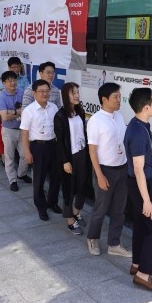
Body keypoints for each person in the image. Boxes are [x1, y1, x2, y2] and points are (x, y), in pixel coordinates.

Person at [124, 88, 152, 291]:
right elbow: (139, 170)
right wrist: (147, 200)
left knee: (141, 223)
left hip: (139, 183)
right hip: (143, 185)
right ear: (146, 107)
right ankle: (143, 275)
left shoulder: (138, 125)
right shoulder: (138, 132)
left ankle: (137, 264)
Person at [85, 82, 132, 258]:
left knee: (119, 210)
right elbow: (92, 151)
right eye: (115, 97)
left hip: (121, 168)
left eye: (120, 97)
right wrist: (99, 175)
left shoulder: (119, 116)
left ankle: (114, 244)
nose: (119, 100)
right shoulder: (96, 120)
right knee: (101, 208)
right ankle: (92, 238)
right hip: (105, 170)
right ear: (104, 99)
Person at [20, 79, 62, 221]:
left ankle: (52, 202)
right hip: (38, 147)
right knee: (39, 179)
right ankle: (41, 207)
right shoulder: (29, 111)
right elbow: (24, 133)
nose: (45, 94)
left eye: (47, 91)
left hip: (53, 146)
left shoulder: (53, 108)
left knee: (56, 177)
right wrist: (27, 152)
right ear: (34, 93)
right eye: (41, 91)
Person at [54, 82, 90, 235]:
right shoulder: (60, 116)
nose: (76, 95)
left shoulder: (80, 111)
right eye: (73, 93)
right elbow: (60, 141)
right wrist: (65, 161)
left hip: (82, 154)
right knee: (69, 189)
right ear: (65, 95)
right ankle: (69, 220)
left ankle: (76, 211)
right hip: (69, 157)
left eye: (77, 92)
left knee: (83, 186)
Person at [0, 71, 32, 192]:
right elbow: (5, 117)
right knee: (10, 156)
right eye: (9, 81)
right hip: (8, 130)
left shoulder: (22, 93)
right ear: (4, 83)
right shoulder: (1, 97)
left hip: (22, 130)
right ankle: (12, 180)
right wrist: (17, 112)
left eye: (14, 80)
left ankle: (21, 174)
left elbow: (27, 110)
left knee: (24, 155)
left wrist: (11, 111)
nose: (13, 83)